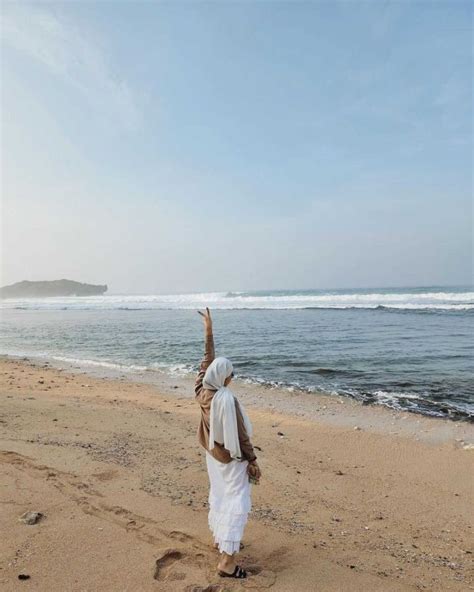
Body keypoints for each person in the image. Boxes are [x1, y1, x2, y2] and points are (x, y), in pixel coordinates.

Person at [195, 307, 262, 579]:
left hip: (212, 455)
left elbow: (206, 362)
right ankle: (227, 562)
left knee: (221, 494)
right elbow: (243, 438)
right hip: (231, 459)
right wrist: (253, 460)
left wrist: (208, 331)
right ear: (224, 377)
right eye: (231, 374)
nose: (232, 378)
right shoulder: (226, 399)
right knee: (237, 500)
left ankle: (221, 540)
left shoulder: (202, 389)